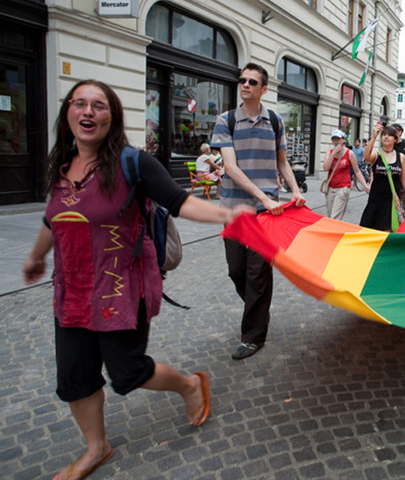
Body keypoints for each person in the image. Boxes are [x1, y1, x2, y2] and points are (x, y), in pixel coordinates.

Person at [22, 80, 253, 480]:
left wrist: (226, 214)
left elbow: (179, 201)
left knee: (128, 371)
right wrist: (36, 256)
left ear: (112, 116)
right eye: (80, 104)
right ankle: (97, 448)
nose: (88, 112)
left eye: (99, 105)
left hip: (121, 288)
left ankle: (187, 385)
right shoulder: (61, 165)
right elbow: (53, 217)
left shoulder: (133, 163)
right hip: (72, 291)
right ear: (68, 114)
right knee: (75, 377)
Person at [210, 62, 306, 360]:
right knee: (236, 270)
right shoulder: (226, 121)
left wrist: (295, 189)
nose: (245, 85)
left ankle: (253, 336)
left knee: (257, 273)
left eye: (252, 81)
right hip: (235, 209)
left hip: (268, 213)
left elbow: (282, 162)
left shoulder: (275, 121)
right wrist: (261, 197)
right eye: (242, 80)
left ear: (264, 89)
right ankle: (258, 307)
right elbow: (230, 167)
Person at [360, 124, 405, 231]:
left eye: (389, 135)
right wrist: (374, 137)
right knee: (370, 230)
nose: (386, 137)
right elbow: (366, 157)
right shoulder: (377, 155)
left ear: (395, 139)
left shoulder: (401, 157)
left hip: (392, 201)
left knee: (388, 230)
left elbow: (404, 179)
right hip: (376, 199)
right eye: (384, 135)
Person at [323, 129, 369, 220]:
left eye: (338, 139)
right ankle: (337, 233)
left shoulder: (349, 153)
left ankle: (334, 234)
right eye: (334, 139)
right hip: (330, 188)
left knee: (334, 218)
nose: (336, 141)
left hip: (343, 189)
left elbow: (357, 171)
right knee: (330, 216)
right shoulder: (329, 152)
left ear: (343, 139)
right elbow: (325, 168)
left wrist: (365, 185)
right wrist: (333, 154)